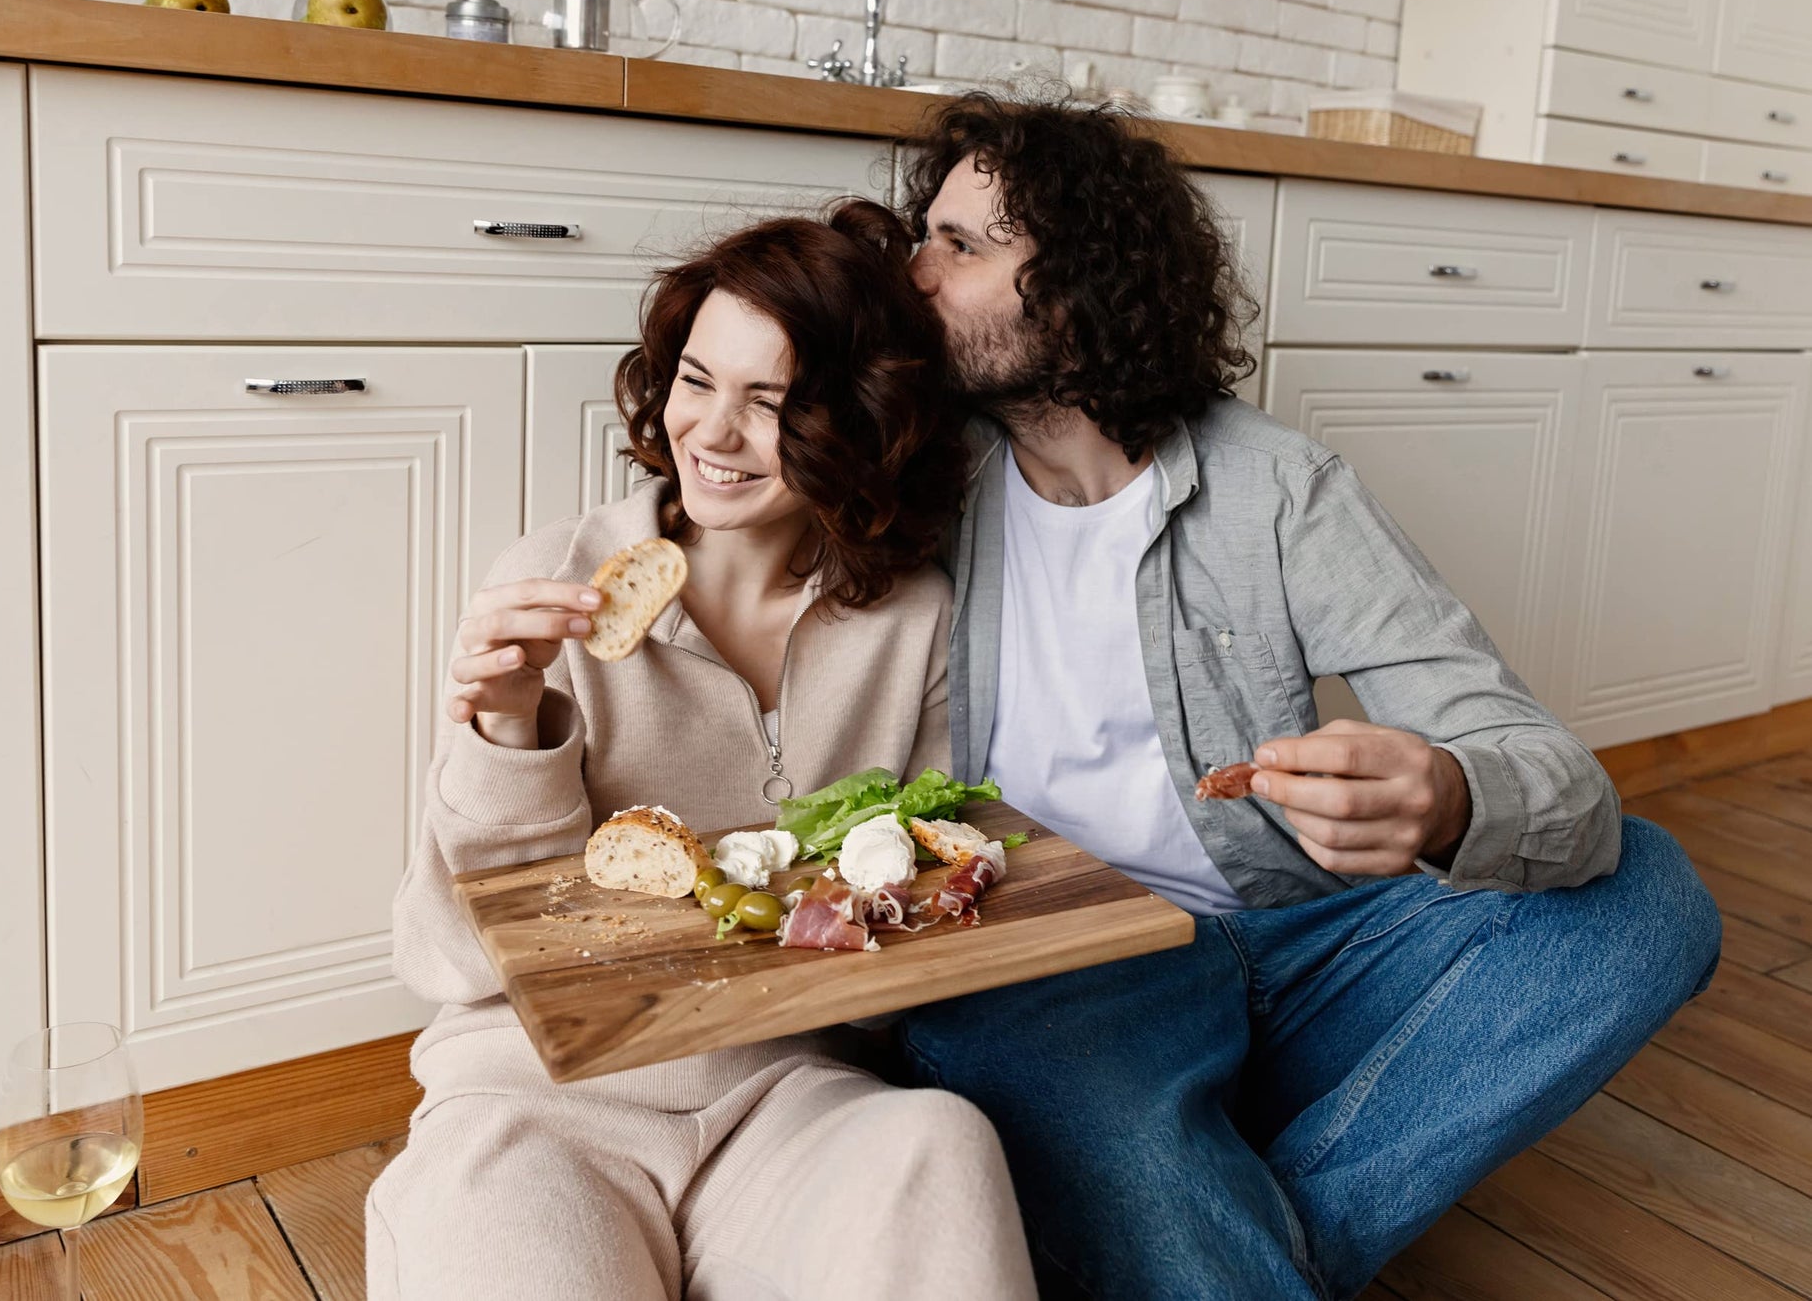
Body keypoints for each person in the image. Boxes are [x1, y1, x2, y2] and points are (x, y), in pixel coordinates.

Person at [891, 93, 1723, 1301]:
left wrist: (1444, 794)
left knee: (1648, 898)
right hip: (1060, 956)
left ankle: (1225, 1222)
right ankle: (1192, 1202)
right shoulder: (914, 477)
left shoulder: (1277, 489)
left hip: (1293, 934)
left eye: (960, 245)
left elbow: (1552, 777)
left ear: (1072, 286)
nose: (912, 271)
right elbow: (714, 482)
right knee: (1009, 1052)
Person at [366, 199, 1036, 1300]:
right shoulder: (553, 585)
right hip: (538, 1097)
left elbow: (898, 945)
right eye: (695, 379)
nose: (712, 434)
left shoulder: (913, 617)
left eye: (770, 402)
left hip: (791, 1092)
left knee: (941, 1144)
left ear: (862, 420)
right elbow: (451, 958)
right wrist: (508, 731)